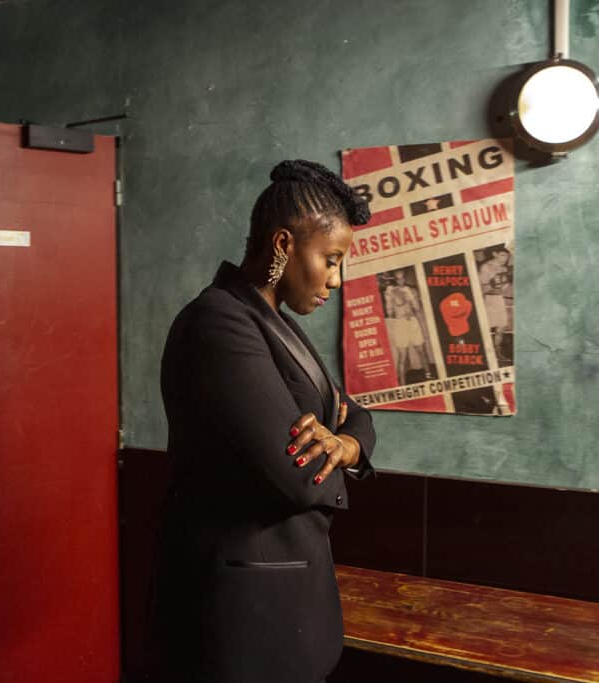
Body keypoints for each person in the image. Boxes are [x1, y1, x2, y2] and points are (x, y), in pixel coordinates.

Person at [152, 159, 377, 683]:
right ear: (283, 245)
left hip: (285, 607)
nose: (337, 280)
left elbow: (354, 414)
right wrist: (336, 451)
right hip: (242, 617)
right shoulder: (220, 323)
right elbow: (298, 475)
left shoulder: (273, 324)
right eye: (332, 259)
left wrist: (345, 445)